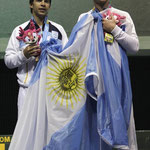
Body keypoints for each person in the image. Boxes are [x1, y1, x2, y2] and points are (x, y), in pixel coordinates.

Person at [77, 0, 139, 150]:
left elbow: (134, 47)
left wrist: (114, 29)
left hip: (116, 81)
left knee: (119, 122)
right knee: (92, 126)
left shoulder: (123, 16)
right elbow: (77, 48)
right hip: (92, 82)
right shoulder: (84, 18)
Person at [4, 0, 68, 117]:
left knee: (50, 134)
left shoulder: (59, 30)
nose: (43, 4)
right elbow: (8, 61)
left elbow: (68, 58)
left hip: (52, 91)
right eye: (39, 0)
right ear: (31, 4)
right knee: (26, 134)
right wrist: (24, 55)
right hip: (27, 90)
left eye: (47, 1)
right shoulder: (20, 30)